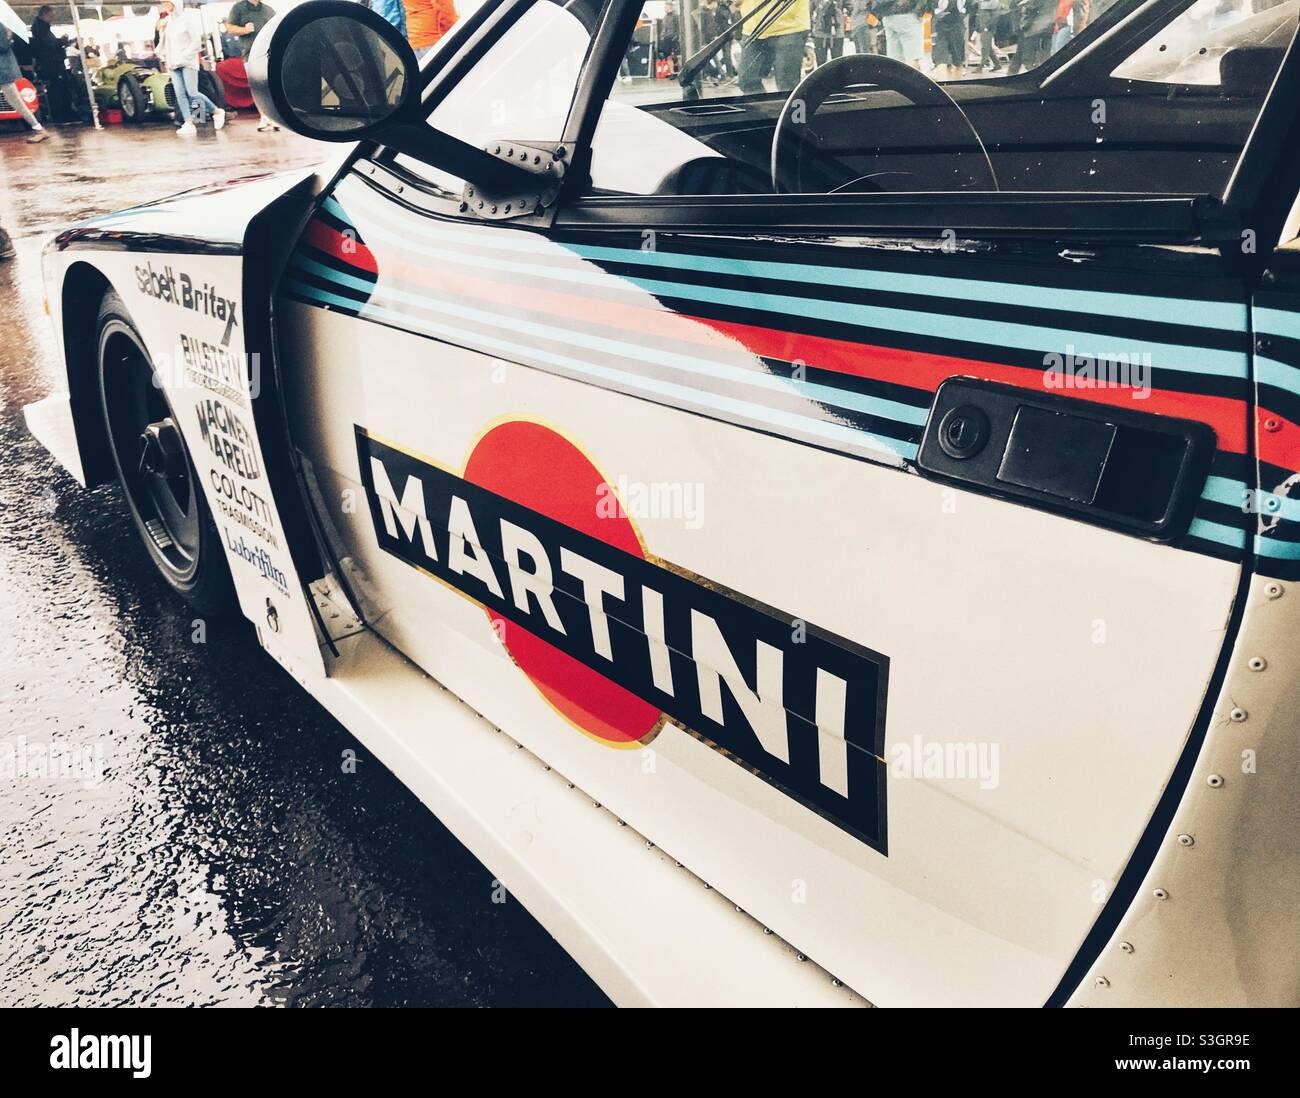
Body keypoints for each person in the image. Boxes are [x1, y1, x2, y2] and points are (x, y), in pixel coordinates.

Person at [159, 0, 224, 136]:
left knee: (193, 92)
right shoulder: (167, 21)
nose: (165, 4)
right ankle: (190, 121)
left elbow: (196, 42)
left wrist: (183, 57)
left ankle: (213, 112)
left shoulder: (186, 20)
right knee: (181, 93)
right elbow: (165, 43)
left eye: (167, 2)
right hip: (173, 63)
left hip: (189, 62)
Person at [224, 0, 278, 130]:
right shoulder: (238, 8)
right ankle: (264, 118)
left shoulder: (268, 9)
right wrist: (245, 30)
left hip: (270, 53)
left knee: (272, 85)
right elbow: (230, 28)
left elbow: (278, 27)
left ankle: (275, 117)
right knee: (257, 86)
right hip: (250, 54)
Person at [738, 0, 809, 94]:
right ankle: (761, 108)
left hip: (789, 26)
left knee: (787, 85)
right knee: (747, 81)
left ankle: (786, 107)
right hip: (753, 28)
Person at [1, 28, 48, 142]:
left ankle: (40, 129)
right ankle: (39, 129)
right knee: (15, 101)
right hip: (4, 71)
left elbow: (4, 46)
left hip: (4, 71)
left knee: (16, 102)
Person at [30, 5, 75, 123]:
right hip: (51, 65)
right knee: (57, 90)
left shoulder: (40, 28)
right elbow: (51, 45)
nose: (52, 18)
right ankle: (61, 116)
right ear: (45, 14)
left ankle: (61, 115)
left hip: (50, 63)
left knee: (57, 89)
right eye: (51, 15)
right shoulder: (42, 29)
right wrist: (62, 42)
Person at [877, 0, 928, 69]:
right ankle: (913, 79)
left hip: (887, 15)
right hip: (908, 13)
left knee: (895, 59)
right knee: (912, 57)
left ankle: (897, 78)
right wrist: (921, 11)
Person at [931, 0, 967, 79]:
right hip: (947, 25)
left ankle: (950, 85)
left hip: (950, 25)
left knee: (952, 60)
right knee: (945, 60)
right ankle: (952, 85)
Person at [812, 0, 845, 65]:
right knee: (837, 64)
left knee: (821, 65)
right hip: (836, 33)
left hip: (821, 33)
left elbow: (809, 11)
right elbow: (851, 7)